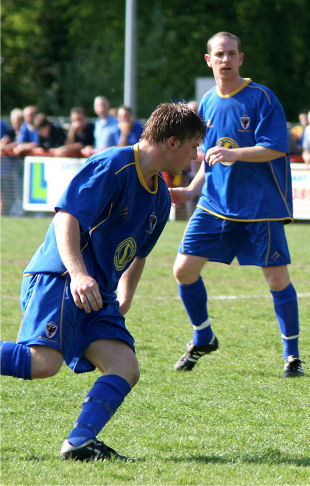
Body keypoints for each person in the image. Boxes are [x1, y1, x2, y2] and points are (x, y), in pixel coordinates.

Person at [0, 102, 205, 461]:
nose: (195, 156)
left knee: (125, 367)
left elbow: (138, 254)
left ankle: (79, 442)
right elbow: (67, 218)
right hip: (62, 276)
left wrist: (123, 297)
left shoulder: (159, 195)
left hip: (99, 294)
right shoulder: (113, 164)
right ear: (173, 142)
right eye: (193, 147)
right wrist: (78, 274)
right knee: (42, 363)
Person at [169, 32, 304, 378]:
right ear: (208, 60)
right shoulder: (207, 103)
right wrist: (191, 190)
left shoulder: (262, 98)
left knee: (276, 279)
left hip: (260, 207)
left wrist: (234, 153)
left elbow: (275, 147)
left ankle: (292, 356)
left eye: (231, 54)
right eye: (219, 54)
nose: (225, 60)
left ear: (241, 58)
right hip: (215, 204)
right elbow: (210, 159)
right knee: (183, 270)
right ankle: (203, 337)